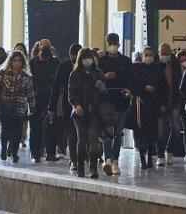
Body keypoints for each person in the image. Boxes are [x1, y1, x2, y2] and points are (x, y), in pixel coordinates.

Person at [0, 49, 36, 163]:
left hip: (19, 106)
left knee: (18, 130)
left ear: (23, 63)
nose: (17, 63)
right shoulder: (2, 73)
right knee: (5, 129)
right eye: (15, 60)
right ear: (11, 61)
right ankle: (4, 148)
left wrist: (32, 107)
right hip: (5, 105)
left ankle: (14, 152)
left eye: (19, 61)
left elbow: (30, 93)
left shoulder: (26, 77)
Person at [68, 47, 106, 178]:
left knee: (94, 139)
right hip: (80, 112)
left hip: (94, 111)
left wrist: (102, 89)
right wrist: (76, 105)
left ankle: (93, 168)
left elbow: (104, 94)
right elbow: (71, 93)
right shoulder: (75, 74)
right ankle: (80, 167)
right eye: (85, 58)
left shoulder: (98, 73)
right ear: (80, 60)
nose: (87, 60)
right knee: (82, 139)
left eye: (89, 57)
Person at [98, 33, 133, 176]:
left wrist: (129, 90)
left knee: (118, 132)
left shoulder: (125, 61)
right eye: (110, 42)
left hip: (121, 101)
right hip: (106, 100)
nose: (113, 45)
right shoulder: (100, 60)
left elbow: (131, 78)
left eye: (115, 42)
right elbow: (95, 77)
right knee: (107, 131)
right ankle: (108, 159)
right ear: (106, 43)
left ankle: (116, 160)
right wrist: (104, 77)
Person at [131, 47, 169, 170]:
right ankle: (142, 157)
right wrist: (143, 88)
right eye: (146, 54)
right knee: (140, 132)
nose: (148, 57)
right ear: (142, 56)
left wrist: (163, 103)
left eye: (150, 55)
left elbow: (164, 87)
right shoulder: (137, 68)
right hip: (140, 105)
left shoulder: (158, 69)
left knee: (153, 132)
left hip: (154, 105)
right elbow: (133, 84)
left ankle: (150, 156)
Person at [49, 42, 80, 166]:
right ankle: (74, 158)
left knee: (79, 134)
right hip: (67, 104)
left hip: (83, 103)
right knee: (71, 132)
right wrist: (52, 107)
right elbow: (56, 87)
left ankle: (79, 157)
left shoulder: (84, 67)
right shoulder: (64, 66)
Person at [29, 42, 59, 162]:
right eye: (43, 47)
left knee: (51, 126)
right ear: (39, 48)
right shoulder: (33, 63)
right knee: (35, 126)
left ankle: (50, 153)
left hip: (51, 97)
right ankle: (35, 153)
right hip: (36, 98)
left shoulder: (55, 63)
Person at [156, 42, 184, 165]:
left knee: (177, 128)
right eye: (163, 53)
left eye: (167, 53)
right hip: (161, 101)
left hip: (175, 100)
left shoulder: (176, 65)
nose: (165, 55)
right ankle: (160, 154)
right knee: (161, 130)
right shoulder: (156, 65)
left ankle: (170, 150)